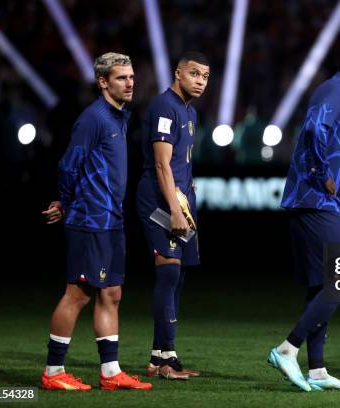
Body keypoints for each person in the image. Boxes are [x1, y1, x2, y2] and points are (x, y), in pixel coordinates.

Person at [268, 50, 340, 391]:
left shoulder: (339, 94)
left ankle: (317, 371)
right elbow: (314, 128)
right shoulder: (334, 92)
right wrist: (321, 174)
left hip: (313, 200)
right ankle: (286, 349)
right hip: (313, 200)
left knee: (322, 284)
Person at [40, 52, 152, 391]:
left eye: (131, 76)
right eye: (121, 78)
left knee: (112, 293)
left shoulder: (120, 116)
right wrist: (68, 202)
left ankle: (111, 373)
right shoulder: (94, 118)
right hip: (90, 218)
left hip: (112, 219)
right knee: (79, 294)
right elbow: (68, 164)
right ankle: (53, 372)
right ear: (103, 82)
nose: (130, 82)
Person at [136, 52, 209, 380]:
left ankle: (159, 357)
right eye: (194, 73)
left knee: (176, 277)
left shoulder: (186, 110)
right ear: (178, 73)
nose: (200, 81)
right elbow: (162, 164)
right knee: (168, 273)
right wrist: (176, 210)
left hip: (179, 202)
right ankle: (167, 362)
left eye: (205, 77)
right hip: (160, 202)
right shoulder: (166, 107)